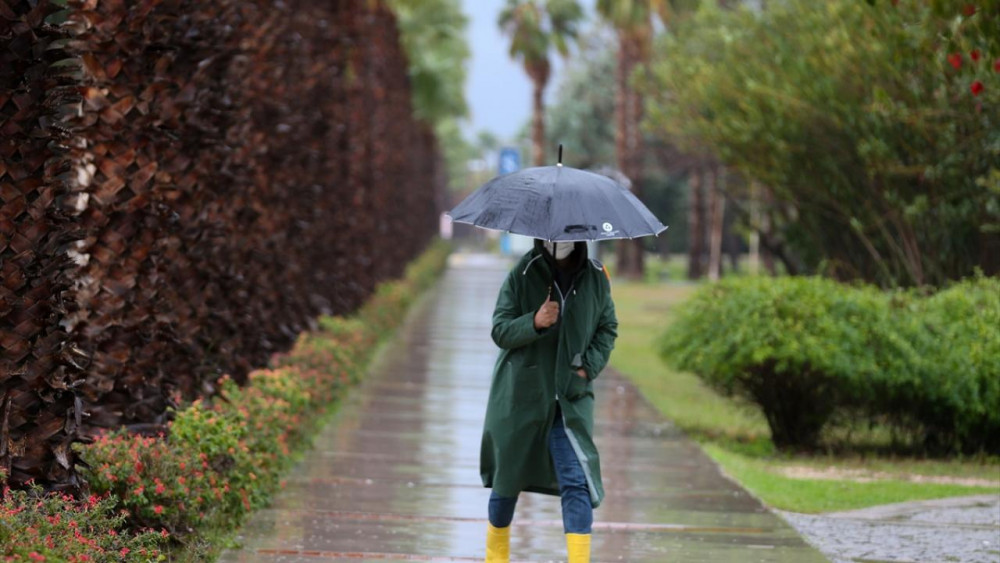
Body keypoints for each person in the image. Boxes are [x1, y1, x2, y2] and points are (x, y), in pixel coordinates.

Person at [480, 238, 618, 563]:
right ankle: (495, 558)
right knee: (507, 480)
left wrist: (588, 366)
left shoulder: (597, 276)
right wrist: (534, 322)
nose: (560, 241)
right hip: (520, 396)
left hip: (569, 401)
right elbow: (500, 330)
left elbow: (607, 328)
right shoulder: (523, 273)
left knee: (576, 479)